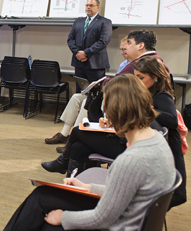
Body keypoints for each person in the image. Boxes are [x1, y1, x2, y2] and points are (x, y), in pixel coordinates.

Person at [4, 74, 176, 231]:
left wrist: (63, 217)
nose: (105, 113)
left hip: (120, 224)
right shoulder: (157, 139)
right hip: (132, 216)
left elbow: (102, 218)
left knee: (43, 217)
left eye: (106, 107)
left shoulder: (130, 160)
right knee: (41, 196)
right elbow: (126, 191)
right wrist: (88, 187)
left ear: (116, 110)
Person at [42, 30, 170, 175]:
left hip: (129, 144)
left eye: (128, 43)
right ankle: (73, 182)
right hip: (124, 134)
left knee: (79, 131)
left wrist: (139, 111)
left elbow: (159, 120)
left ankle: (64, 161)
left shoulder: (155, 88)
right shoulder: (138, 66)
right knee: (78, 146)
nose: (125, 49)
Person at [45, 36, 128, 148]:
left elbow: (120, 85)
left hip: (114, 98)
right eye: (121, 49)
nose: (122, 52)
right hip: (107, 93)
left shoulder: (134, 66)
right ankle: (64, 134)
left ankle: (74, 138)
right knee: (76, 97)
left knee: (86, 103)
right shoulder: (123, 64)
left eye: (124, 49)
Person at [133, 57, 186, 209]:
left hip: (168, 152)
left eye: (141, 78)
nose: (137, 81)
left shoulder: (162, 95)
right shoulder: (148, 91)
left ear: (155, 77)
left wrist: (146, 109)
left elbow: (172, 121)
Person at [67, 0, 112, 93]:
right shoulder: (78, 22)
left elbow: (103, 41)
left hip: (95, 64)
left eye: (91, 5)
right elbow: (70, 40)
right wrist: (78, 53)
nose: (88, 7)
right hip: (79, 62)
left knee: (95, 92)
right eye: (87, 5)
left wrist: (86, 53)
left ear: (97, 7)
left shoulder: (105, 22)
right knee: (80, 91)